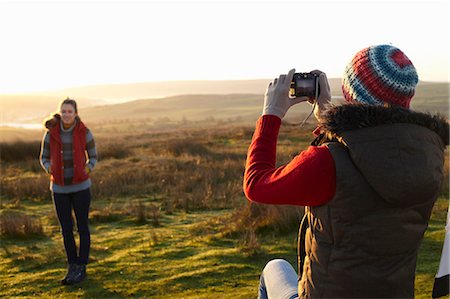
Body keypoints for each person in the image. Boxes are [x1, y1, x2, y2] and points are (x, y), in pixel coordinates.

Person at [243, 44, 449, 298]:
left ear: (349, 92)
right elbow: (375, 147)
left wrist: (271, 114)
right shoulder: (430, 155)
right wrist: (330, 120)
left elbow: (256, 185)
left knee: (274, 269)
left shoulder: (327, 162)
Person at [40, 98, 97, 285]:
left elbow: (93, 156)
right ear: (60, 113)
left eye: (69, 112)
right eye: (63, 111)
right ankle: (72, 265)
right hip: (59, 189)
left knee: (82, 227)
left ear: (75, 113)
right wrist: (49, 169)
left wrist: (87, 169)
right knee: (66, 229)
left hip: (81, 187)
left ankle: (82, 266)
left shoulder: (84, 132)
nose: (66, 115)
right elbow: (44, 157)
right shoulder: (50, 134)